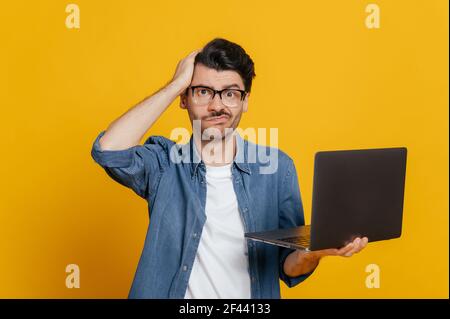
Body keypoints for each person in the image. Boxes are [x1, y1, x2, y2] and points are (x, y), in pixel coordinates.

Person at [91, 38, 368, 299]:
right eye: (202, 92)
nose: (217, 105)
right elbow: (109, 150)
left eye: (230, 94)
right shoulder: (164, 163)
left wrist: (315, 252)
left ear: (245, 101)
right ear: (184, 99)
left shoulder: (278, 169)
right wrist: (175, 84)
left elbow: (288, 267)